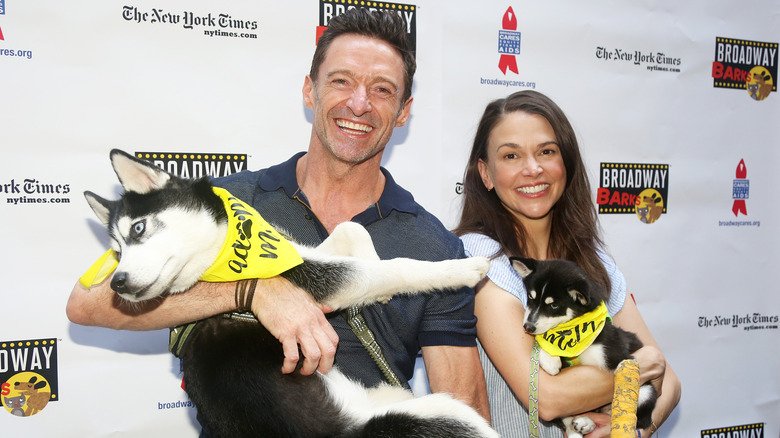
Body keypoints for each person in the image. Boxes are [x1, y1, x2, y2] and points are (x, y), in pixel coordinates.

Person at [66, 8, 490, 431]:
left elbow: (464, 406)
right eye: (341, 81)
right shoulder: (229, 203)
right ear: (310, 91)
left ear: (403, 111)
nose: (359, 104)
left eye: (381, 89)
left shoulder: (434, 247)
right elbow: (88, 304)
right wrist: (253, 291)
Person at [454, 90, 680, 437]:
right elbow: (546, 397)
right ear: (486, 173)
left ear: (566, 163)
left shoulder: (594, 261)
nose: (533, 169)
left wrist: (627, 430)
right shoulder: (479, 259)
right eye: (511, 155)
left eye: (546, 151)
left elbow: (671, 383)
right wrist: (638, 368)